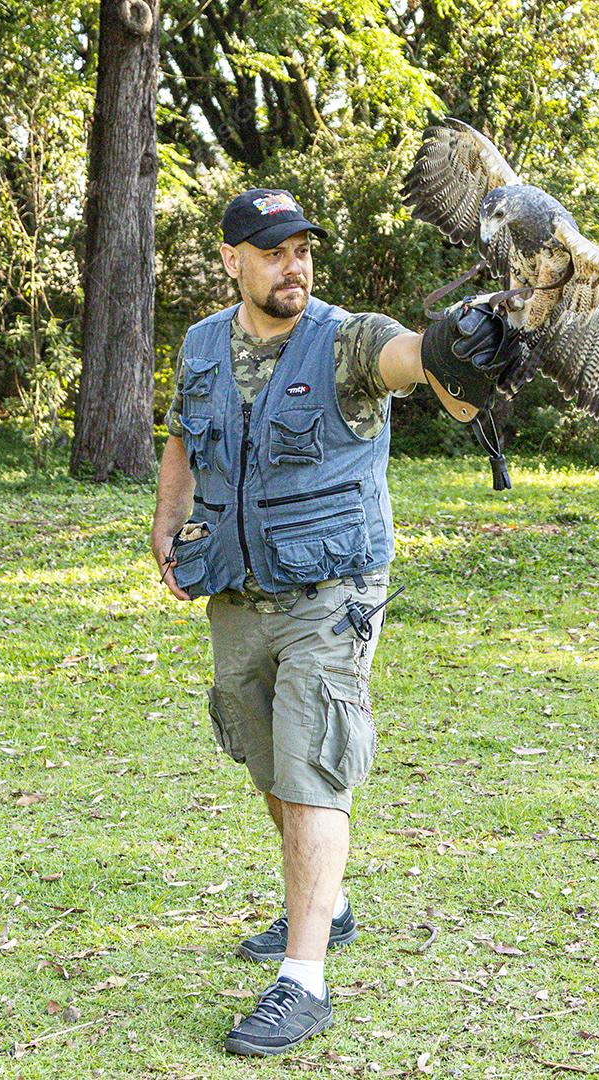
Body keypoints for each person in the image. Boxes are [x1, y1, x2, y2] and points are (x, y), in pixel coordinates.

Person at [151, 188, 499, 1056]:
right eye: (273, 251)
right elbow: (185, 436)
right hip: (236, 587)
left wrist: (455, 347)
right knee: (264, 747)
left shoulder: (346, 338)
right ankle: (330, 906)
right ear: (232, 260)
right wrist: (168, 522)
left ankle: (302, 982)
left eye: (302, 249)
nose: (293, 265)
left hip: (331, 595)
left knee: (312, 765)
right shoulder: (201, 344)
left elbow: (409, 359)